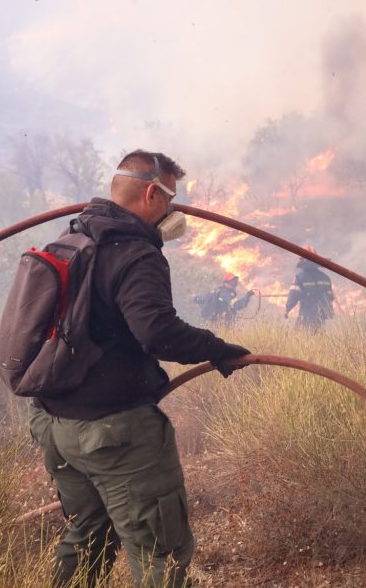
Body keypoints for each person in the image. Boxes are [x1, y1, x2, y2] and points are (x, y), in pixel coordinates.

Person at [27, 150, 251, 587]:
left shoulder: (74, 239)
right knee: (160, 548)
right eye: (170, 200)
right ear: (152, 193)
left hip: (54, 424)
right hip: (113, 435)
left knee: (89, 534)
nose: (173, 211)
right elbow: (158, 332)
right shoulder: (135, 253)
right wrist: (218, 348)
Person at [285, 247, 335, 331]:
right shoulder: (326, 277)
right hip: (321, 315)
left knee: (299, 336)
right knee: (318, 335)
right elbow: (330, 297)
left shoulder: (300, 277)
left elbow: (293, 295)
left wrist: (287, 309)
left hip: (307, 313)